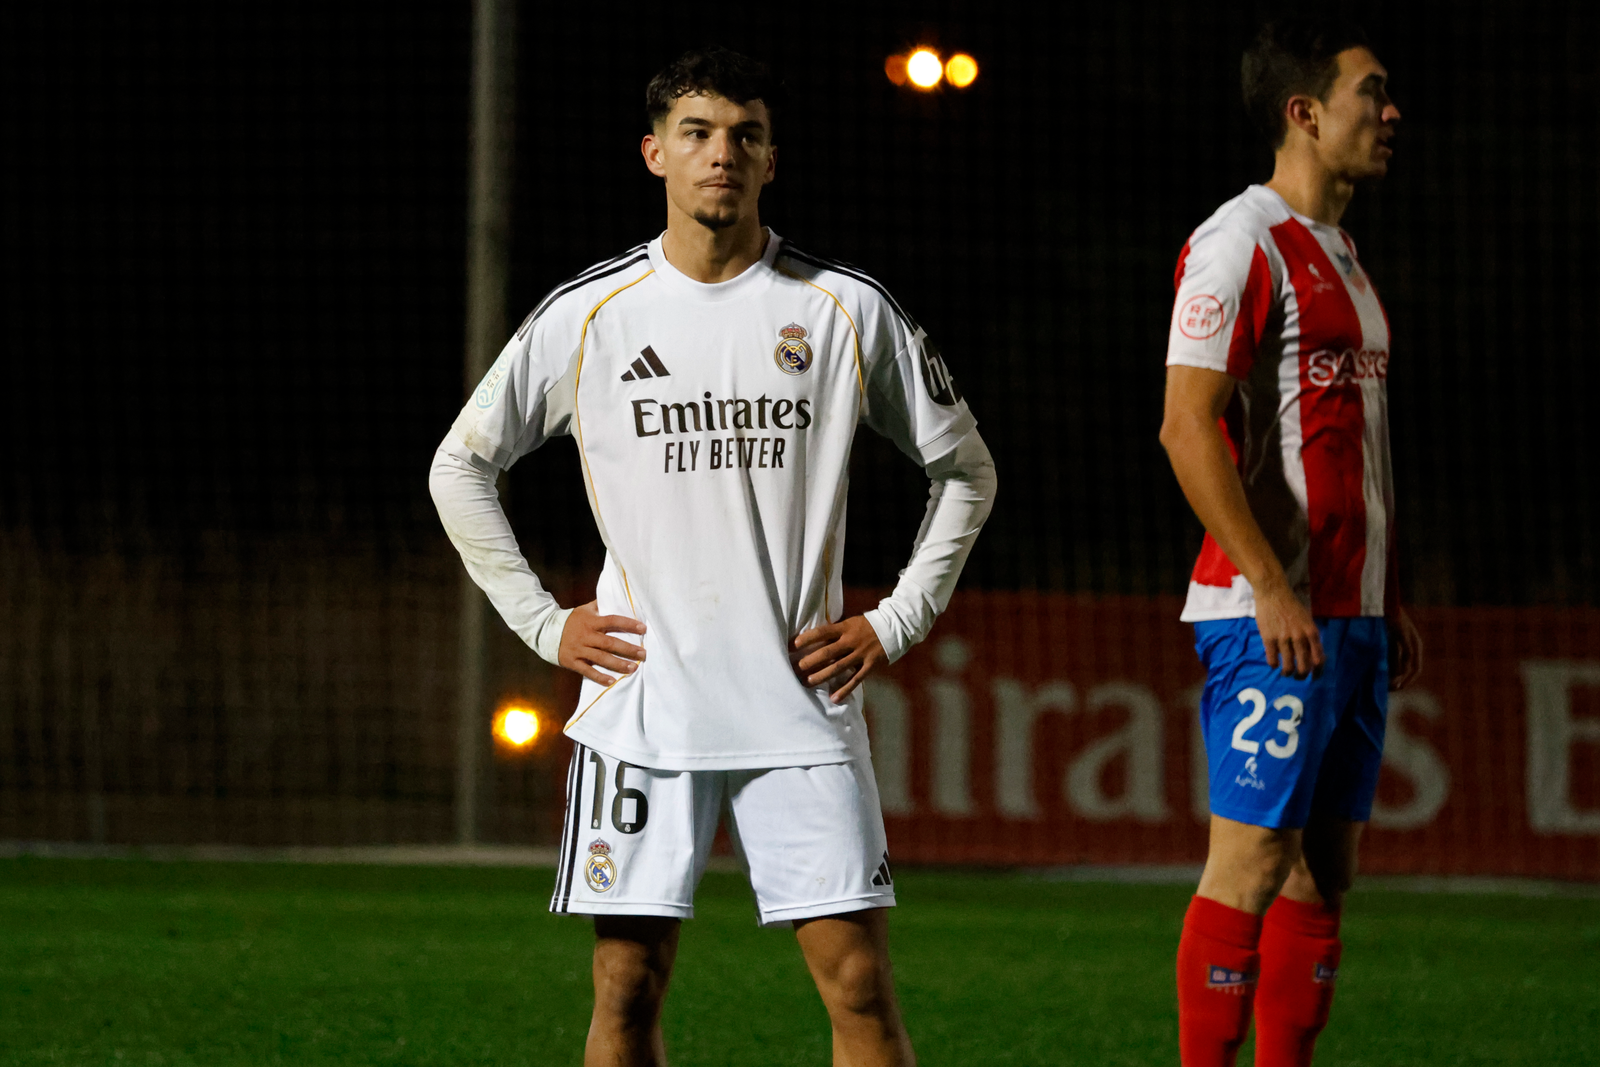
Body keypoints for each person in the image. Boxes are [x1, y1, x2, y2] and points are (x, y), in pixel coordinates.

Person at [429, 46, 995, 1067]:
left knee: (860, 987)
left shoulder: (843, 307)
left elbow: (966, 471)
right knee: (626, 987)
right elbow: (459, 466)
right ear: (655, 153)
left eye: (745, 135)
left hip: (800, 703)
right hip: (645, 703)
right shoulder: (590, 313)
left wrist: (897, 618)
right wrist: (545, 624)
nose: (720, 154)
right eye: (696, 133)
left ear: (772, 159)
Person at [1158, 17, 1423, 1067]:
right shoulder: (1240, 241)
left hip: (1351, 614)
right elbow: (1186, 426)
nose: (1390, 112)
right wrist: (1270, 582)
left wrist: (1387, 594)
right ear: (1304, 113)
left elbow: (1349, 441)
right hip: (1270, 612)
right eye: (1372, 92)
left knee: (1324, 869)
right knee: (1253, 859)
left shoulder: (1343, 252)